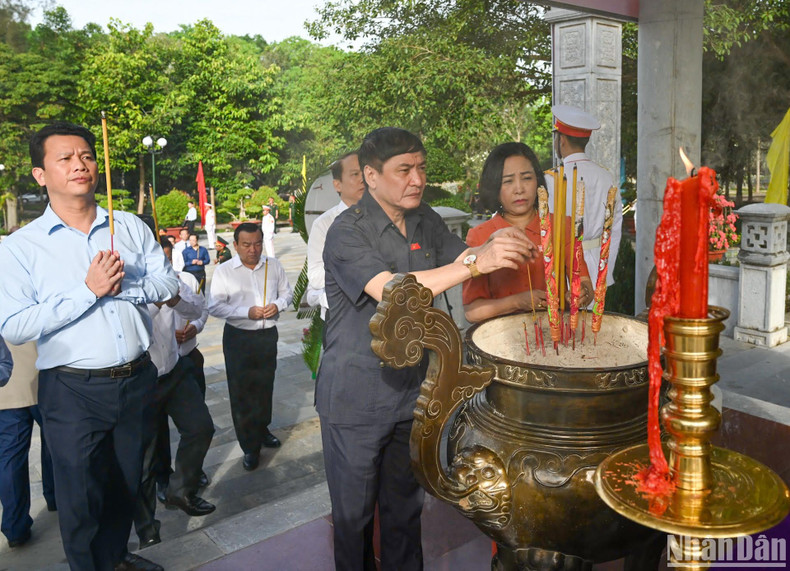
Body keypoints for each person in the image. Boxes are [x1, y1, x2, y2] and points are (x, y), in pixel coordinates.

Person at [317, 127, 538, 570]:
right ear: (371, 176)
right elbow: (395, 291)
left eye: (420, 168)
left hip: (412, 393)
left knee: (404, 512)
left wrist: (493, 244)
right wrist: (477, 259)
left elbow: (462, 258)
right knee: (354, 519)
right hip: (356, 397)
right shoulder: (345, 233)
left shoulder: (426, 220)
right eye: (404, 170)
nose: (417, 179)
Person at [0, 121, 179, 571]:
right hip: (73, 389)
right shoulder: (21, 247)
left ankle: (117, 559)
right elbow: (16, 324)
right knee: (80, 498)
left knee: (126, 484)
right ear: (40, 174)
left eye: (86, 156)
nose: (79, 165)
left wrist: (127, 287)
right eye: (64, 158)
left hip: (136, 377)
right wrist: (89, 291)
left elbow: (167, 280)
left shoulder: (130, 227)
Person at [133, 239, 215, 549]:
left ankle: (181, 489)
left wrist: (175, 299)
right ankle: (146, 528)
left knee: (201, 427)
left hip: (174, 368)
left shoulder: (173, 277)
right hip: (140, 378)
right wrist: (157, 302)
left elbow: (197, 307)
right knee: (145, 458)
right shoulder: (125, 280)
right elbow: (130, 326)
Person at [463, 142, 594, 323]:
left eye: (526, 178)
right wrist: (518, 302)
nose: (519, 189)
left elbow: (585, 283)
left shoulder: (561, 225)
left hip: (555, 333)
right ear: (495, 187)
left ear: (538, 182)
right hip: (501, 338)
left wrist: (582, 294)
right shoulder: (480, 235)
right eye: (508, 181)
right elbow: (472, 312)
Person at [208, 223, 293, 471]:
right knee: (242, 391)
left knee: (265, 385)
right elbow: (214, 306)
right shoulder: (225, 271)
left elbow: (286, 293)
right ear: (235, 245)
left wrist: (277, 305)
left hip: (267, 336)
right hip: (239, 338)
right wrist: (247, 312)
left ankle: (262, 428)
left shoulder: (273, 265)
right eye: (246, 245)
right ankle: (249, 446)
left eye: (257, 243)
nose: (253, 250)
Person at [546, 104, 623, 290]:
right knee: (595, 320)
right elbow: (615, 228)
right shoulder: (605, 177)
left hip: (565, 267)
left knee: (565, 319)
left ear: (561, 140)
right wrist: (606, 271)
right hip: (598, 264)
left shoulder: (551, 179)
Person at [0, 335, 57, 550]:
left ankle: (15, 527)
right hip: (41, 372)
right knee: (56, 442)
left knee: (10, 457)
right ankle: (56, 497)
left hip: (7, 385)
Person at [306, 151, 365, 318]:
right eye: (355, 174)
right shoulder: (324, 224)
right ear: (337, 185)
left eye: (366, 173)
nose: (363, 179)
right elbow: (315, 276)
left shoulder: (385, 217)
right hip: (340, 318)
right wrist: (358, 272)